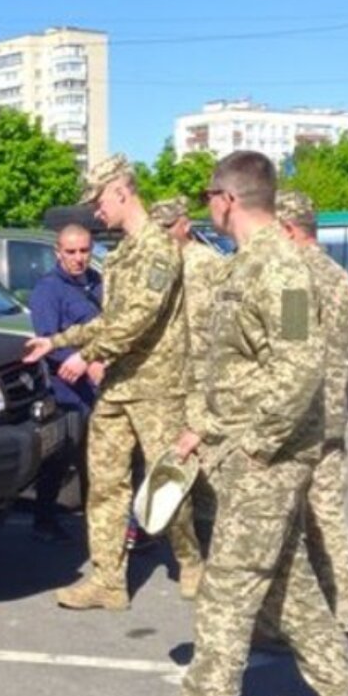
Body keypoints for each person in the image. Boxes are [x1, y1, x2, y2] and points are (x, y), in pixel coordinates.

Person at [119, 151, 348, 696]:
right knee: (288, 584)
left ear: (226, 199)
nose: (208, 204)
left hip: (270, 457)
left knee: (227, 592)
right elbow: (234, 369)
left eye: (210, 194)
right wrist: (195, 431)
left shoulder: (282, 271)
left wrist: (258, 448)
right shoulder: (248, 265)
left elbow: (298, 371)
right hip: (240, 449)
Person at [24, 154, 192, 611]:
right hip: (117, 387)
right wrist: (54, 341)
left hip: (156, 385)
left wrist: (86, 354)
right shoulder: (119, 255)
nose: (95, 211)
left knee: (167, 480)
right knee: (105, 483)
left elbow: (138, 319)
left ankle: (192, 562)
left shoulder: (158, 248)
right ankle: (108, 581)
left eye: (99, 200)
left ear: (121, 190)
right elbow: (107, 321)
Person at [275, 190, 348, 638]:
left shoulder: (298, 280)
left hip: (301, 421)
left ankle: (287, 622)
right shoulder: (344, 280)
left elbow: (290, 351)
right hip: (333, 418)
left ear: (290, 230)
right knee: (328, 518)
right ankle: (342, 610)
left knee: (286, 524)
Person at [151, 196, 222, 583]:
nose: (164, 235)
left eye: (168, 227)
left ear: (184, 225)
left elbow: (230, 311)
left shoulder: (209, 263)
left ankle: (212, 549)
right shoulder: (160, 267)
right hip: (171, 375)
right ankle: (190, 550)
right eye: (157, 228)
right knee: (178, 461)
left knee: (209, 464)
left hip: (206, 372)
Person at [27, 222, 104, 543]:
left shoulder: (96, 283)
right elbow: (48, 340)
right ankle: (44, 518)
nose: (78, 258)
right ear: (57, 253)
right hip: (67, 389)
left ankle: (96, 523)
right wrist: (84, 361)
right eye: (71, 252)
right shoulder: (48, 289)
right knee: (62, 457)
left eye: (84, 251)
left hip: (98, 385)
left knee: (96, 458)